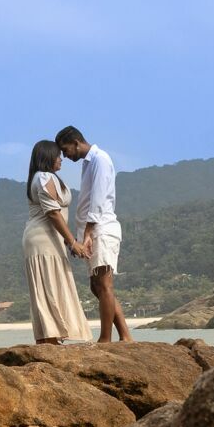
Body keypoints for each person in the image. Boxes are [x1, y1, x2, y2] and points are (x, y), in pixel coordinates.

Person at [56, 125, 132, 342]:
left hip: (102, 229)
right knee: (96, 286)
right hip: (92, 230)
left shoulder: (100, 159)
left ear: (76, 142)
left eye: (65, 149)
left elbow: (98, 200)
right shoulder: (89, 163)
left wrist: (87, 235)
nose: (65, 155)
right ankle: (125, 335)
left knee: (104, 284)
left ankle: (106, 338)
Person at [22, 139, 91, 344]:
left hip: (51, 239)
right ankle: (49, 337)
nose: (61, 158)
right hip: (43, 239)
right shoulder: (43, 177)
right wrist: (72, 242)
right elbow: (53, 213)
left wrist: (68, 241)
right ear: (48, 157)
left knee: (52, 283)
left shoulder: (45, 177)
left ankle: (52, 336)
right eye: (57, 155)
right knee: (49, 284)